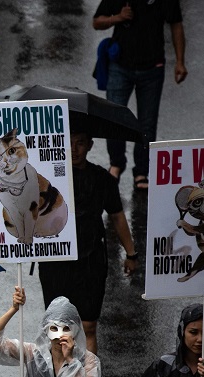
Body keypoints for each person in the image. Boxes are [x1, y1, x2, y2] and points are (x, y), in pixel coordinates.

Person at [38, 127, 138, 354]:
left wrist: (131, 253)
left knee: (89, 325)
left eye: (80, 142)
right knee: (57, 326)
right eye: (69, 142)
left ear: (90, 145)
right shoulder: (48, 177)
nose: (74, 149)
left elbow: (117, 216)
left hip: (91, 258)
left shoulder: (103, 179)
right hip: (56, 259)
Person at [93, 0, 187, 191]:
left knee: (147, 124)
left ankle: (141, 171)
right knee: (113, 119)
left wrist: (180, 61)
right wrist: (118, 18)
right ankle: (116, 164)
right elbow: (97, 21)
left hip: (153, 69)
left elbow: (176, 24)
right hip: (119, 66)